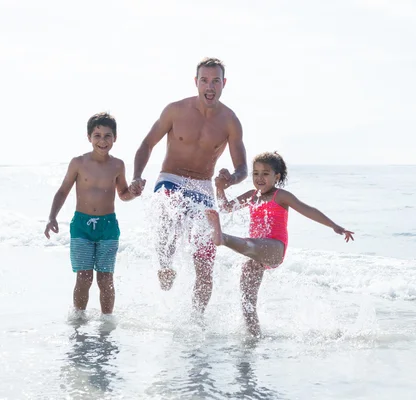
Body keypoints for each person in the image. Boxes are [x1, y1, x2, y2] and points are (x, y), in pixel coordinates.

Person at [129, 57, 247, 314]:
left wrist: (231, 178)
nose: (210, 86)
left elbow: (243, 169)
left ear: (224, 83)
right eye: (204, 80)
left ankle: (196, 320)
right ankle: (165, 263)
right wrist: (137, 176)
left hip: (204, 187)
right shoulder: (175, 110)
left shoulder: (230, 121)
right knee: (171, 213)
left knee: (205, 263)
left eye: (216, 80)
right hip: (171, 179)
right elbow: (147, 144)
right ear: (196, 82)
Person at [206, 151, 355, 336]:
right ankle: (254, 337)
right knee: (247, 301)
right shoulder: (252, 196)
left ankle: (223, 238)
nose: (260, 178)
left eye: (265, 173)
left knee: (249, 245)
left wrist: (334, 226)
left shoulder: (280, 195)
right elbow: (226, 207)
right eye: (256, 173)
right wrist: (219, 188)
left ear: (276, 177)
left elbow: (308, 210)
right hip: (256, 255)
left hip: (274, 248)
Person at [44, 112, 136, 317]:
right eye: (97, 135)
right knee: (84, 277)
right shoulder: (78, 163)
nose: (102, 141)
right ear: (89, 137)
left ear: (115, 138)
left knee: (105, 279)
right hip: (81, 227)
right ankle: (78, 319)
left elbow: (123, 194)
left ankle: (107, 323)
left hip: (108, 227)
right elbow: (63, 190)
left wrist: (134, 193)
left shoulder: (118, 165)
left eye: (107, 136)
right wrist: (52, 216)